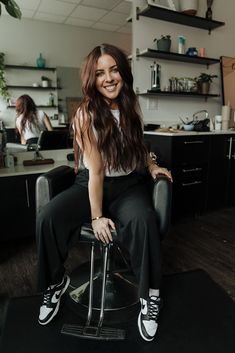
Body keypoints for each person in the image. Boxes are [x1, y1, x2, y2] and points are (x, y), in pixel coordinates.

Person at [36, 43, 172, 341]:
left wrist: (151, 167)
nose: (108, 78)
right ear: (91, 79)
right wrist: (97, 216)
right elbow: (96, 171)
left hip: (127, 186)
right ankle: (55, 284)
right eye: (100, 73)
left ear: (123, 71)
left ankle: (150, 296)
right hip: (91, 182)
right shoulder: (86, 114)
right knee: (48, 217)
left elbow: (139, 146)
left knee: (143, 220)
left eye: (113, 70)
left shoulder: (131, 104)